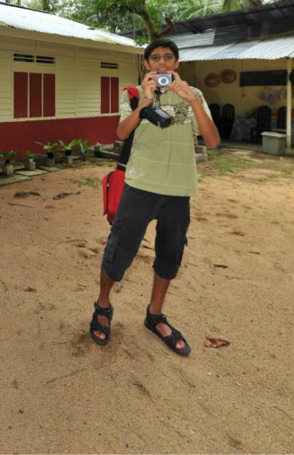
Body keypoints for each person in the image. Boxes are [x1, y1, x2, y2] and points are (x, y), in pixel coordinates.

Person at [89, 39, 220, 355]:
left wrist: (193, 102)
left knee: (170, 253)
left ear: (177, 63)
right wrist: (145, 103)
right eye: (156, 58)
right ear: (146, 64)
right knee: (119, 248)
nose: (162, 63)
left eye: (168, 57)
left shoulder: (194, 95)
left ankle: (155, 314)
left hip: (178, 190)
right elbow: (121, 133)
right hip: (140, 186)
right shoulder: (132, 93)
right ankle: (103, 307)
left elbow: (213, 141)